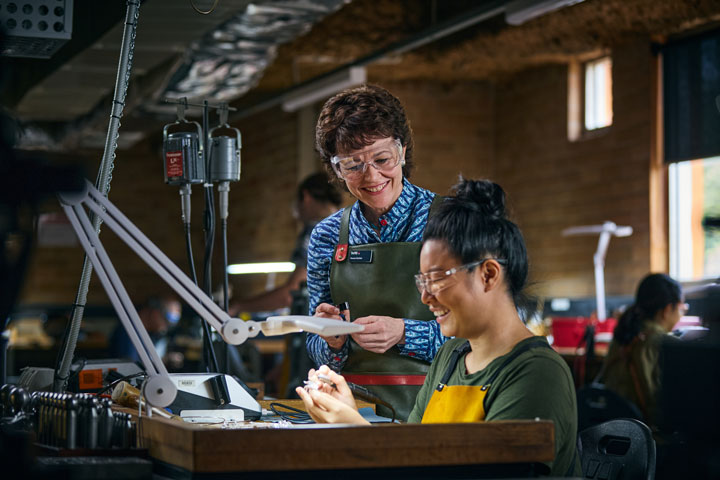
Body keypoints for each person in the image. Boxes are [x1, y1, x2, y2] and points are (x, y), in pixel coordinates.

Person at [297, 178, 580, 477]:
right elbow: (415, 458)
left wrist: (354, 429)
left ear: (488, 274)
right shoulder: (451, 357)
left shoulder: (535, 374)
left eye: (436, 280)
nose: (424, 297)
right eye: (422, 282)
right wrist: (353, 417)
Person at [305, 84, 449, 421]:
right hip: (351, 408)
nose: (371, 176)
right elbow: (314, 342)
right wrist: (332, 341)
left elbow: (487, 333)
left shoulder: (451, 221)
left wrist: (403, 332)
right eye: (352, 165)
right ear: (335, 168)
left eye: (382, 159)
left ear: (402, 150)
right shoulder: (327, 236)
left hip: (442, 406)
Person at [228, 172, 342, 315]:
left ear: (305, 197)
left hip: (327, 328)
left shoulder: (317, 232)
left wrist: (239, 306)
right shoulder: (349, 225)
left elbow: (291, 294)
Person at [598, 273, 685, 427]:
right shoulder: (664, 344)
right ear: (667, 310)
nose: (681, 315)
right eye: (680, 308)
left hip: (610, 432)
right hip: (649, 438)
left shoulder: (621, 336)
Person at [108, 295, 182, 363]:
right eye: (166, 321)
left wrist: (166, 358)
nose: (166, 327)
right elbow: (133, 369)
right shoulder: (128, 332)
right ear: (155, 313)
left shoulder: (152, 334)